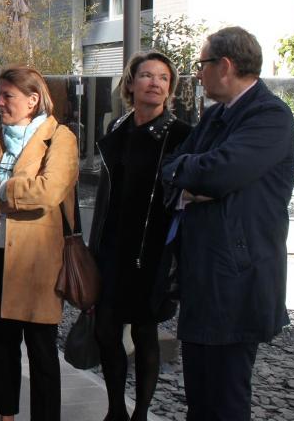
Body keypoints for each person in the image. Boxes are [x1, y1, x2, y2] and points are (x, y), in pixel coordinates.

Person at [161, 27, 294, 420]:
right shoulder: (217, 115)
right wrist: (191, 183)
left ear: (225, 66)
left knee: (226, 401)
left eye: (202, 65)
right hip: (204, 277)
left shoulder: (269, 116)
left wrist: (197, 180)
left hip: (238, 281)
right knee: (200, 399)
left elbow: (216, 173)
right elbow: (174, 166)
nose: (198, 74)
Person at [0, 65, 78, 421]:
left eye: (7, 95)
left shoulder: (60, 139)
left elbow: (48, 191)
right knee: (1, 347)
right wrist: (6, 204)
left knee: (42, 351)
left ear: (32, 100)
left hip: (38, 262)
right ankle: (5, 414)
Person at [87, 52, 192, 421]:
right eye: (146, 75)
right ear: (130, 83)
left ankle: (141, 414)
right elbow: (105, 195)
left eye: (163, 77)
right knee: (105, 330)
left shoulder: (181, 135)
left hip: (154, 249)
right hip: (114, 247)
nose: (155, 83)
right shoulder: (118, 127)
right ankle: (116, 407)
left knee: (146, 332)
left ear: (170, 88)